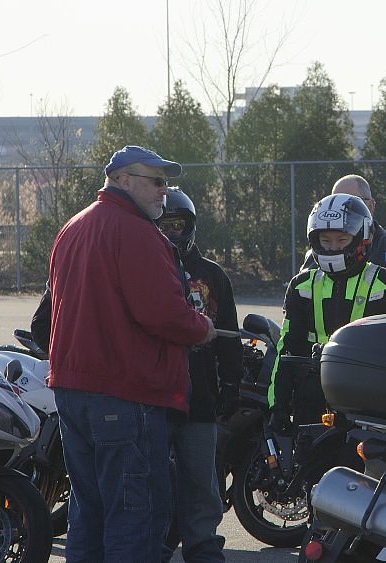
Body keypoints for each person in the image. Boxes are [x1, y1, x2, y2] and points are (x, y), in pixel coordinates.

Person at [47, 145, 216, 562]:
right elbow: (162, 314)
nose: (164, 191)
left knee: (88, 512)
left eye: (165, 182)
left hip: (73, 391)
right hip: (124, 394)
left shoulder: (73, 227)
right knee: (133, 517)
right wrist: (202, 327)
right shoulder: (137, 232)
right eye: (155, 181)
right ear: (123, 181)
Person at [268, 193, 386, 431]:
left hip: (371, 402)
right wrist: (277, 407)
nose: (332, 248)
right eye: (326, 240)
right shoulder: (301, 285)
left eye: (341, 240)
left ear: (362, 238)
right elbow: (286, 348)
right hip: (312, 401)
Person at [158, 188, 242, 563]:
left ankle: (203, 545)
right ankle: (154, 544)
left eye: (178, 226)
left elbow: (230, 336)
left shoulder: (212, 274)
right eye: (164, 226)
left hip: (201, 398)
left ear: (190, 227)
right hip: (155, 398)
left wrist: (232, 386)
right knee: (153, 481)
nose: (172, 234)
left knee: (202, 481)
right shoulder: (145, 269)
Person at [301, 174, 386, 322]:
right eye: (336, 201)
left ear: (371, 205)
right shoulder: (317, 255)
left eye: (353, 201)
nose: (341, 209)